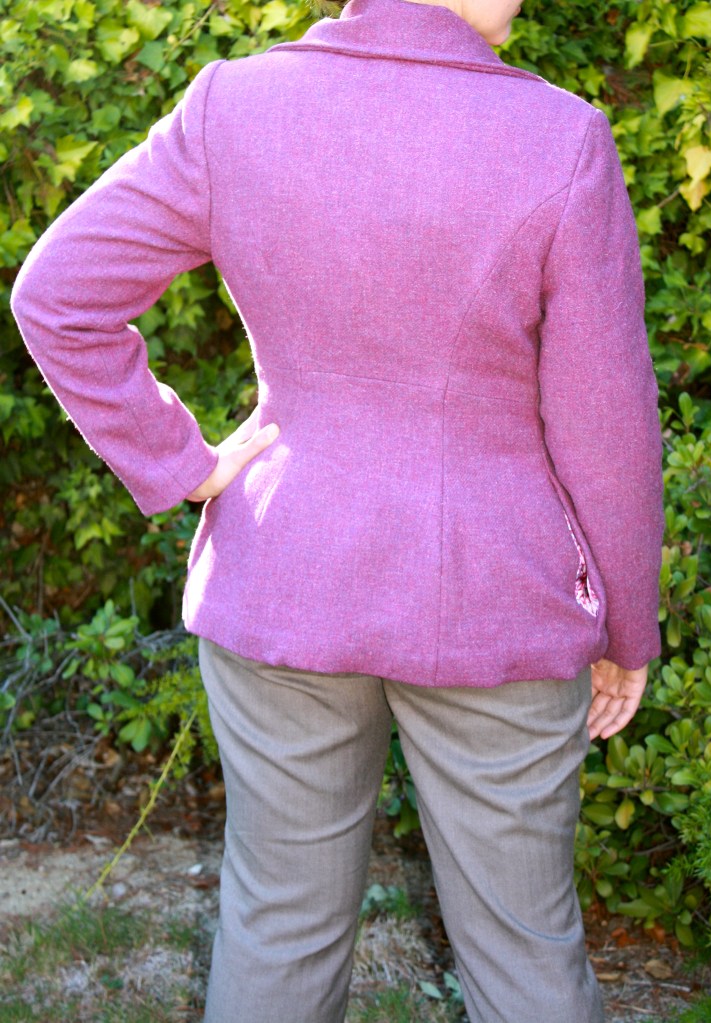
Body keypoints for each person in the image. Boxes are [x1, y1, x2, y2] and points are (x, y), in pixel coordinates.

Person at [11, 0, 665, 1019]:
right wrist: (627, 625)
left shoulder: (234, 106)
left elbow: (58, 295)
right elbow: (607, 422)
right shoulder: (560, 137)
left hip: (286, 572)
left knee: (277, 926)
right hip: (496, 597)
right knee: (525, 954)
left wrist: (181, 463)